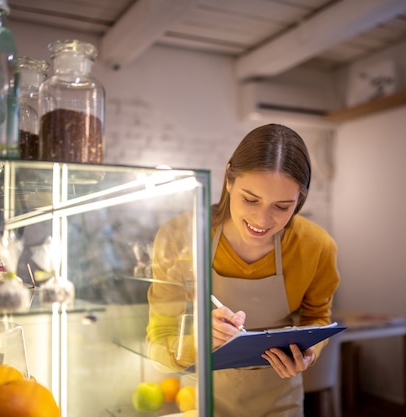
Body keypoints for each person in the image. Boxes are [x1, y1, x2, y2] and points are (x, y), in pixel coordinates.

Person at [146, 123, 340, 417]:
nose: (262, 220)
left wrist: (309, 354)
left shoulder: (316, 247)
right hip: (200, 402)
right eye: (250, 199)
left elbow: (317, 319)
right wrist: (200, 341)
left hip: (280, 403)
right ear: (228, 179)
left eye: (282, 206)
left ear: (300, 200)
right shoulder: (180, 236)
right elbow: (158, 344)